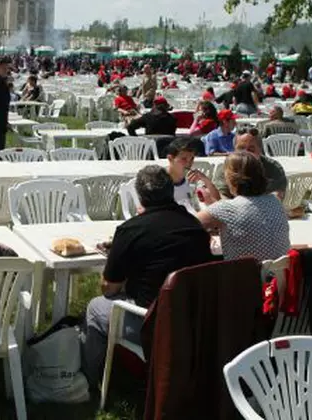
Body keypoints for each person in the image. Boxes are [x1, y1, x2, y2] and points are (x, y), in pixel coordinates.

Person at [81, 165, 214, 388]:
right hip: (193, 319)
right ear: (171, 191)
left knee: (95, 307)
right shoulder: (195, 227)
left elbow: (109, 288)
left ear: (140, 195)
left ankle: (89, 378)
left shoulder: (131, 229)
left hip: (150, 323)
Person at [197, 151, 290, 261]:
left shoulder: (226, 209)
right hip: (279, 275)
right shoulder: (275, 201)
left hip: (243, 276)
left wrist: (211, 207)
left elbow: (188, 224)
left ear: (232, 179)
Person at [213, 128, 288, 199]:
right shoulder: (226, 167)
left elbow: (277, 196)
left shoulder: (273, 168)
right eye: (241, 149)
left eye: (251, 149)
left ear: (260, 150)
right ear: (234, 149)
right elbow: (220, 195)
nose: (246, 153)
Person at [165, 137, 218, 209]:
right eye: (184, 159)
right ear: (170, 159)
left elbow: (216, 202)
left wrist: (206, 180)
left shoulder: (193, 177)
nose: (189, 163)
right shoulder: (160, 181)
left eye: (192, 158)